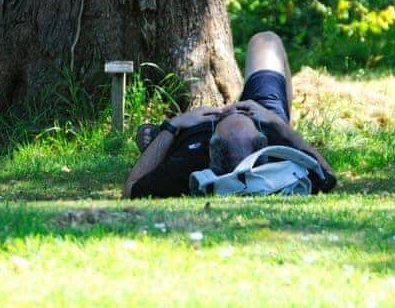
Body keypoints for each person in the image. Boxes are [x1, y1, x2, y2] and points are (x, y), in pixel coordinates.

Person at [123, 31, 337, 199]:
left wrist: (173, 125)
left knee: (153, 138)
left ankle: (158, 144)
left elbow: (130, 189)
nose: (230, 108)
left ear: (211, 142)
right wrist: (279, 126)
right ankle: (156, 143)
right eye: (237, 114)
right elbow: (329, 176)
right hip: (263, 112)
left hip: (188, 134)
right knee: (266, 40)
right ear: (262, 140)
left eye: (224, 117)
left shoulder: (188, 165)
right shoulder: (278, 155)